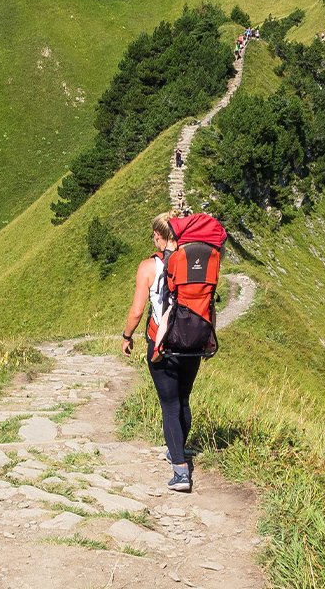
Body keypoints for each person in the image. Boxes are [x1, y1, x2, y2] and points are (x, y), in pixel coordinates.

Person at [119, 211, 225, 493]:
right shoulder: (195, 262)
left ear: (158, 236)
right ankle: (177, 449)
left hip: (162, 343)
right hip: (194, 341)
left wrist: (127, 336)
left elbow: (137, 311)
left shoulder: (148, 267)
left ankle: (180, 470)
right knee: (183, 399)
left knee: (169, 405)